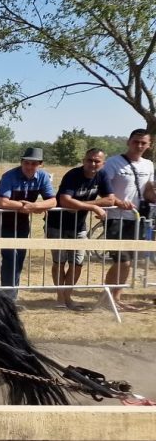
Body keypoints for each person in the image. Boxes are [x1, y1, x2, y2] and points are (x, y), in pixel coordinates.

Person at [46, 148, 114, 309]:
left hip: (79, 226)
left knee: (77, 263)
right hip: (57, 224)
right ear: (84, 160)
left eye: (97, 161)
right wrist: (95, 207)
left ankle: (68, 297)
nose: (92, 163)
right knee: (59, 262)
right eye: (89, 160)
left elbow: (110, 200)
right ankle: (60, 298)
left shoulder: (102, 175)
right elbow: (64, 201)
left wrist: (85, 206)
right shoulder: (73, 175)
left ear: (103, 163)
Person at [101, 129, 156, 312]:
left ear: (149, 145)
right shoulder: (113, 163)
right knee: (122, 261)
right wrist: (117, 201)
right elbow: (103, 188)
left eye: (143, 143)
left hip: (138, 219)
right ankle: (107, 298)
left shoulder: (149, 164)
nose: (139, 146)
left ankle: (115, 299)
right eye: (136, 142)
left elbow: (147, 191)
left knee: (128, 262)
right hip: (116, 217)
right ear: (128, 142)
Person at [0, 147, 56, 301]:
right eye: (26, 163)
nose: (29, 167)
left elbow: (53, 201)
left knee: (19, 257)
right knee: (10, 257)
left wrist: (35, 206)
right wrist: (24, 206)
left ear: (40, 164)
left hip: (21, 222)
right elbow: (2, 202)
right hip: (2, 221)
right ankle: (8, 298)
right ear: (21, 162)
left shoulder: (43, 177)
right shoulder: (9, 176)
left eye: (33, 164)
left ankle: (12, 294)